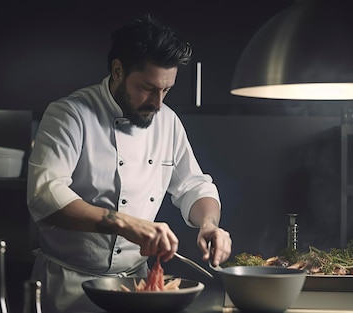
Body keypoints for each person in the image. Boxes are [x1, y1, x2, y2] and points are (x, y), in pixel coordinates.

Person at [26, 14, 232, 313]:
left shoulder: (167, 122)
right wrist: (126, 224)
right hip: (68, 288)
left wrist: (209, 225)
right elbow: (45, 196)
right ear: (118, 70)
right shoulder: (69, 115)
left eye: (166, 90)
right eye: (148, 88)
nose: (158, 103)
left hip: (136, 288)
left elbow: (194, 186)